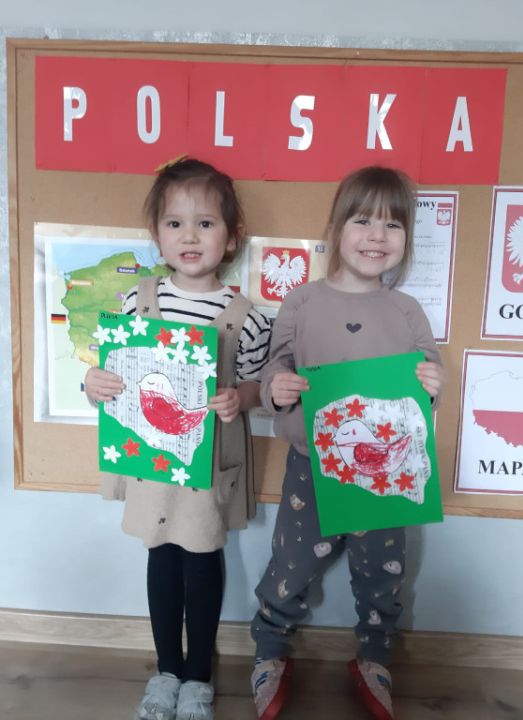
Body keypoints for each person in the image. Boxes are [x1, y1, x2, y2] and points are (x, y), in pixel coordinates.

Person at [249, 166, 445, 720]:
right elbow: (275, 368)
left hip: (385, 473)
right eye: (363, 221)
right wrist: (276, 388)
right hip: (311, 465)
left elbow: (426, 384)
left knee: (383, 570)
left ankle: (374, 656)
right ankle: (269, 649)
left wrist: (433, 385)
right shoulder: (302, 301)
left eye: (393, 225)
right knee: (290, 565)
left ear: (406, 237)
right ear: (336, 228)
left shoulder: (406, 310)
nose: (377, 236)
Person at [85, 157, 271, 720]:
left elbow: (261, 387)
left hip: (207, 465)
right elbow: (111, 376)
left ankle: (198, 677)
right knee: (160, 555)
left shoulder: (246, 316)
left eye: (205, 223)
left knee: (202, 557)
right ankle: (166, 669)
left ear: (231, 237)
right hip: (152, 460)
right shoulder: (136, 301)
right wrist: (93, 383)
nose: (189, 236)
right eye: (175, 223)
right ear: (157, 235)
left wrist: (241, 397)